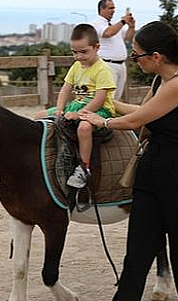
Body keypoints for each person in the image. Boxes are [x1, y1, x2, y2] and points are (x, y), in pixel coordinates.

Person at [79, 21, 178, 301]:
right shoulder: (160, 79)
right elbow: (145, 110)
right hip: (152, 172)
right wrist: (102, 101)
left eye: (136, 54)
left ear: (156, 56)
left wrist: (104, 120)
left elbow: (138, 120)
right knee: (136, 256)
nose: (132, 59)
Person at [34, 23, 116, 188]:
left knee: (84, 128)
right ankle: (44, 155)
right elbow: (66, 88)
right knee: (39, 116)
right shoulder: (76, 66)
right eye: (74, 52)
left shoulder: (102, 70)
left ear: (96, 47)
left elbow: (100, 99)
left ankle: (84, 168)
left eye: (83, 52)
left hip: (98, 110)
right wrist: (59, 108)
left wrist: (79, 115)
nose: (78, 56)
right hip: (76, 105)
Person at [92, 0, 136, 100]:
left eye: (114, 8)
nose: (113, 11)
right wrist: (122, 21)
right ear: (101, 9)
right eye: (110, 8)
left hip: (120, 65)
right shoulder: (97, 23)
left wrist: (131, 27)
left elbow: (128, 38)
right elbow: (107, 33)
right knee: (108, 97)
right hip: (107, 64)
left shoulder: (113, 25)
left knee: (116, 98)